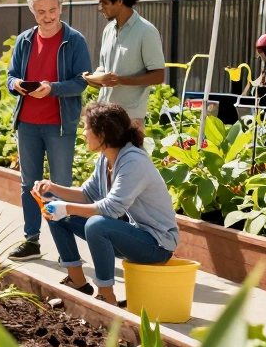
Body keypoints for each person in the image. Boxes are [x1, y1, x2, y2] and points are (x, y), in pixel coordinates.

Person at [33, 102, 179, 307]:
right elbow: (87, 195)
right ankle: (78, 281)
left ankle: (106, 295)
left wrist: (66, 208)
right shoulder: (105, 159)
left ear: (102, 134)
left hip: (157, 244)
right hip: (130, 235)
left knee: (96, 224)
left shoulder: (133, 162)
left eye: (86, 128)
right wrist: (53, 189)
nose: (83, 133)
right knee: (52, 211)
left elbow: (112, 209)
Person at [5, 0, 92, 262]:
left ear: (61, 8)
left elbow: (81, 82)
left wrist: (51, 88)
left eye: (52, 10)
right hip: (28, 124)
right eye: (41, 11)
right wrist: (16, 83)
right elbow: (10, 76)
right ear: (33, 12)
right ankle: (31, 241)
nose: (48, 16)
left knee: (60, 185)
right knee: (29, 184)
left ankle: (65, 246)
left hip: (60, 125)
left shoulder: (75, 40)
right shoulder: (24, 40)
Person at [85, 0, 165, 130]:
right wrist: (93, 78)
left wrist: (121, 80)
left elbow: (158, 76)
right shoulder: (108, 30)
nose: (101, 9)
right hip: (104, 113)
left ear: (120, 2)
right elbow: (104, 67)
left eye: (105, 3)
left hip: (129, 117)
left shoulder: (146, 31)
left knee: (129, 155)